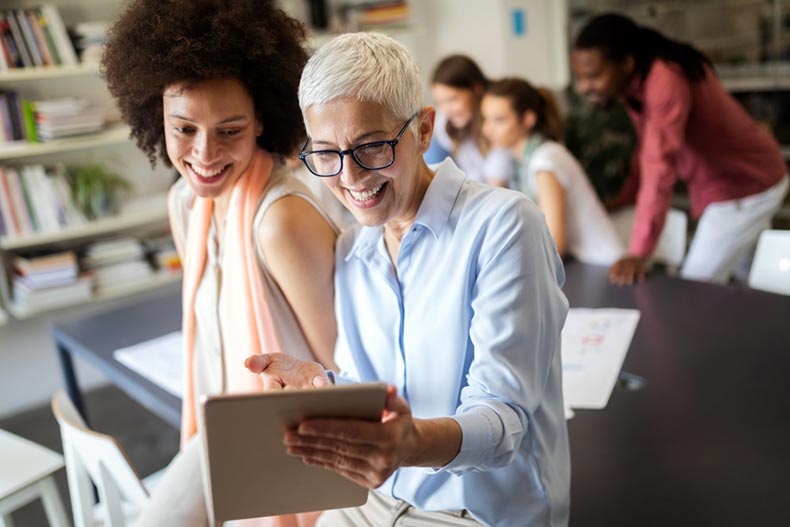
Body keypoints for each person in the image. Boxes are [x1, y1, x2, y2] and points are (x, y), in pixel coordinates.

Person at [246, 33, 570, 527]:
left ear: (422, 129)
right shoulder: (353, 249)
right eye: (327, 153)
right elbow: (377, 390)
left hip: (471, 513)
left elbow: (504, 421)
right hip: (375, 500)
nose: (351, 177)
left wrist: (411, 443)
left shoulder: (503, 223)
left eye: (372, 147)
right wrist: (321, 385)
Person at [101, 1, 337, 525]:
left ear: (261, 122)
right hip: (222, 432)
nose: (204, 155)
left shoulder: (282, 219)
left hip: (297, 450)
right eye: (184, 128)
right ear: (154, 117)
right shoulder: (187, 204)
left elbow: (345, 370)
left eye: (229, 130)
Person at [572, 13, 789, 285]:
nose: (584, 87)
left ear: (626, 63)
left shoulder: (664, 79)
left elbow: (658, 167)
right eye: (580, 77)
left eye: (593, 76)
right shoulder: (635, 86)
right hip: (740, 180)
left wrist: (639, 253)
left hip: (745, 184)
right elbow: (647, 150)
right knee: (750, 283)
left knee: (695, 284)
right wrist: (627, 197)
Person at [481, 77, 625, 266]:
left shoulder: (545, 161)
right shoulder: (521, 160)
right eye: (485, 119)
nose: (487, 129)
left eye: (499, 120)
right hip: (579, 266)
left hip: (600, 267)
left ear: (528, 120)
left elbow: (555, 245)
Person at [426, 54, 514, 184]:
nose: (446, 110)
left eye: (452, 99)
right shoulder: (446, 122)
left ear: (477, 89)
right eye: (440, 102)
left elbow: (495, 185)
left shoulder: (498, 128)